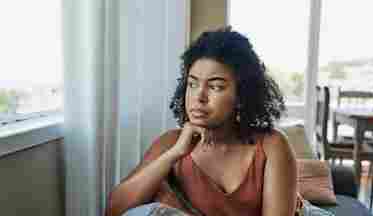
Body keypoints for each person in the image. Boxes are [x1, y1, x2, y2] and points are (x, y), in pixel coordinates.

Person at [106, 27, 298, 216]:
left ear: (241, 95)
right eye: (192, 84)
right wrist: (174, 154)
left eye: (215, 87)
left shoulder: (271, 146)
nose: (199, 97)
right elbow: (115, 210)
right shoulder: (171, 143)